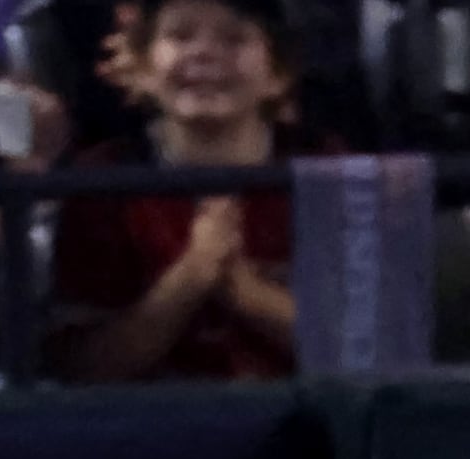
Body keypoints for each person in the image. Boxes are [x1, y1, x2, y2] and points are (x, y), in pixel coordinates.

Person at [40, 0, 299, 381]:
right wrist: (190, 277)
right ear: (141, 68)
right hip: (146, 428)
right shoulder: (102, 177)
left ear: (278, 73)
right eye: (180, 36)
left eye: (234, 38)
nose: (204, 52)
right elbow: (82, 369)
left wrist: (247, 293)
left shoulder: (324, 165)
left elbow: (368, 348)